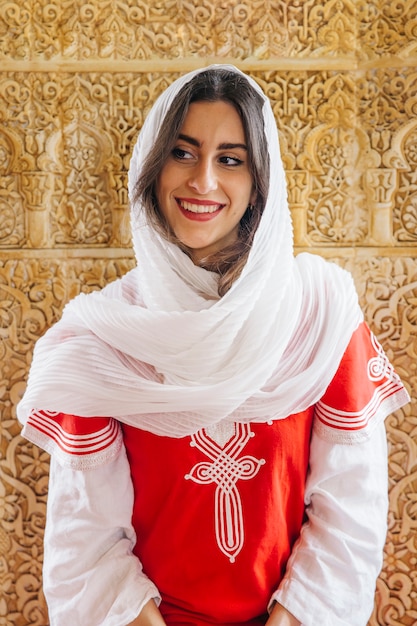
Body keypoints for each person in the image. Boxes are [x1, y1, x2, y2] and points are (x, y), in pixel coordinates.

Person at [17, 65, 409, 626]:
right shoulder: (103, 337)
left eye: (231, 159)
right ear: (151, 168)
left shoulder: (319, 316)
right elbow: (87, 540)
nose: (202, 181)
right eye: (182, 152)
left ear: (260, 182)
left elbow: (351, 513)